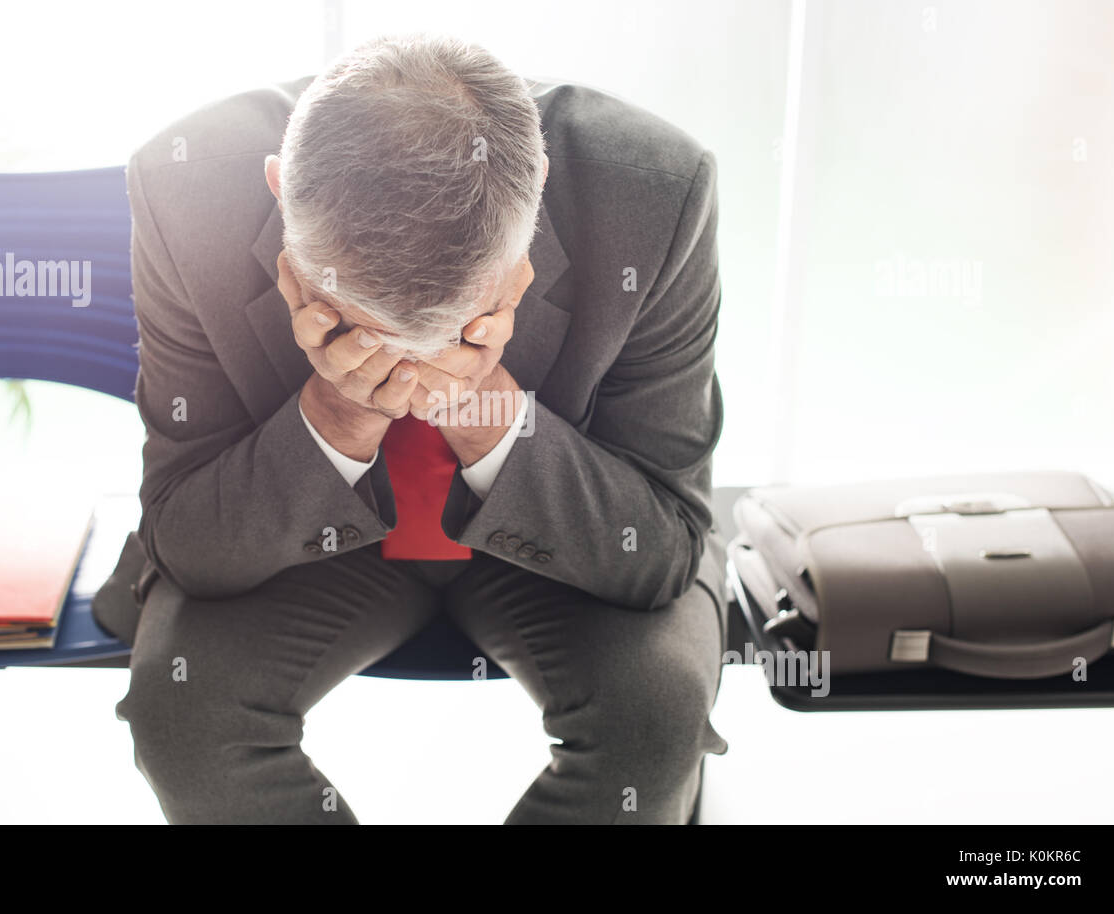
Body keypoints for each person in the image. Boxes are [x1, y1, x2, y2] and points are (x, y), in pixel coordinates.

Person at [112, 32, 729, 824]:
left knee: (653, 723)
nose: (410, 372)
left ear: (534, 191)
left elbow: (664, 547)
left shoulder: (656, 192)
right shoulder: (181, 187)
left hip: (566, 539)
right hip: (302, 540)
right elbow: (187, 541)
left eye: (457, 326)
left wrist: (486, 412)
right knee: (184, 719)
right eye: (362, 329)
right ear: (278, 191)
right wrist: (340, 409)